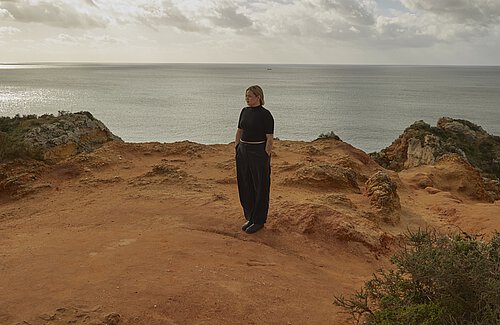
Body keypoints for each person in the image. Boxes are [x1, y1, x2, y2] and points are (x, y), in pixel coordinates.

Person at [235, 85, 274, 234]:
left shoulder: (266, 115)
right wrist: (237, 147)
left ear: (258, 97)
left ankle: (259, 221)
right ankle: (250, 217)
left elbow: (269, 139)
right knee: (245, 184)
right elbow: (239, 130)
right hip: (243, 151)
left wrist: (266, 155)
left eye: (250, 96)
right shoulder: (244, 111)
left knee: (260, 186)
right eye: (246, 96)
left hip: (258, 153)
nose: (247, 98)